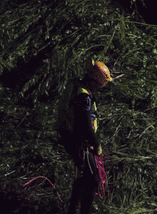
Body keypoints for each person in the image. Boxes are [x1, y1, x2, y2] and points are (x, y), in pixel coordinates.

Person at [62, 61, 113, 214]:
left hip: (75, 139)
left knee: (84, 177)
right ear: (93, 81)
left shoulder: (78, 88)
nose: (101, 88)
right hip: (81, 142)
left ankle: (74, 210)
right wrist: (96, 145)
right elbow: (85, 124)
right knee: (93, 179)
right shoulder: (84, 97)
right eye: (100, 84)